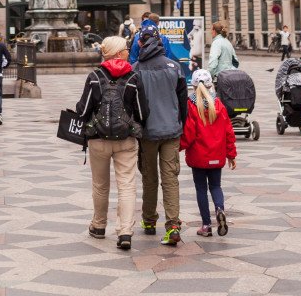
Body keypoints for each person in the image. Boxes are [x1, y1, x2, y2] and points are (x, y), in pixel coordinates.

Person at [73, 36, 149, 251]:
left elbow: (83, 109)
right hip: (125, 139)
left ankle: (98, 226)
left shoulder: (95, 76)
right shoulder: (134, 77)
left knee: (100, 184)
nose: (128, 51)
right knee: (126, 185)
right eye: (125, 49)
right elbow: (143, 112)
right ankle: (125, 231)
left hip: (98, 138)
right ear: (118, 53)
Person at [131, 24, 189, 246]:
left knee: (149, 177)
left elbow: (132, 104)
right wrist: (179, 124)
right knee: (170, 178)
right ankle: (173, 225)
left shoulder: (135, 69)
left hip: (147, 132)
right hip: (171, 130)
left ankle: (148, 220)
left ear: (140, 43)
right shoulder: (174, 67)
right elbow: (183, 103)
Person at [180, 69, 237, 237]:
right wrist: (231, 155)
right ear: (211, 84)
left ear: (193, 85)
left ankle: (206, 225)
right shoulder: (218, 104)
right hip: (217, 156)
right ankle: (219, 209)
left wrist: (178, 147)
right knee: (216, 186)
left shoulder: (190, 105)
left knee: (201, 189)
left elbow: (189, 133)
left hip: (198, 157)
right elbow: (229, 132)